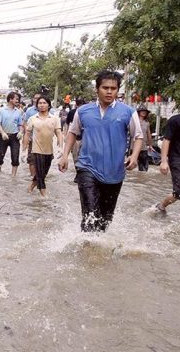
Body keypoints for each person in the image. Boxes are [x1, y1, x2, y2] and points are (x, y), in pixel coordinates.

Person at [58, 71, 142, 232]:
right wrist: (64, 156)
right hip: (87, 167)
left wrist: (134, 156)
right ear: (97, 89)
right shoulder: (83, 111)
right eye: (105, 88)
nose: (109, 92)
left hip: (114, 171)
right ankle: (87, 251)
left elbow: (138, 136)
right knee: (90, 214)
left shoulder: (128, 112)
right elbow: (72, 133)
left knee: (105, 220)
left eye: (113, 88)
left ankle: (99, 251)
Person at [23, 96, 62, 195]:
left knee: (43, 173)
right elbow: (27, 134)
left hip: (49, 150)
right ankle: (44, 199)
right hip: (36, 150)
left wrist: (61, 148)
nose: (42, 105)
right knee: (40, 174)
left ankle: (30, 188)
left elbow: (58, 133)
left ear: (48, 105)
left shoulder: (54, 118)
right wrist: (23, 150)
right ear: (37, 105)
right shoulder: (33, 118)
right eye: (40, 103)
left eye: (44, 103)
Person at [0, 92, 23, 176]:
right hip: (3, 136)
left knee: (15, 157)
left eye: (18, 99)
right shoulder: (1, 110)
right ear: (10, 99)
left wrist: (21, 132)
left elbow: (20, 124)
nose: (18, 101)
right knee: (0, 158)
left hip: (15, 136)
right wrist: (2, 133)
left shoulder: (18, 111)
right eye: (16, 99)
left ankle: (13, 176)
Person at [136, 105, 154, 172]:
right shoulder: (134, 121)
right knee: (132, 165)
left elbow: (149, 134)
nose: (144, 113)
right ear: (139, 112)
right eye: (142, 111)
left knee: (145, 167)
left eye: (145, 111)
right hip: (134, 147)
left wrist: (150, 145)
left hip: (143, 147)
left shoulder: (147, 123)